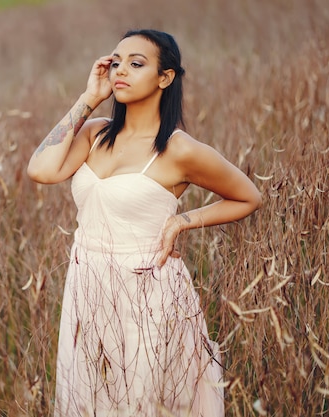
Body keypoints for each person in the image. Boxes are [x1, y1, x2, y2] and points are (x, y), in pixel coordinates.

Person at [27, 29, 262, 417]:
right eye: (116, 62)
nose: (121, 71)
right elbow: (41, 169)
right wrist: (88, 99)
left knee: (142, 401)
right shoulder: (95, 132)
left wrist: (182, 222)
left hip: (146, 291)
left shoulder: (179, 148)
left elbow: (248, 196)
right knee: (89, 401)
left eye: (137, 64)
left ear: (164, 77)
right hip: (87, 284)